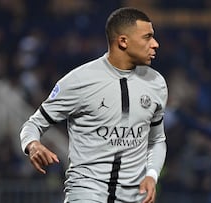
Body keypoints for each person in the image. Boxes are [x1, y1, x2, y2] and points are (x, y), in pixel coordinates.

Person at [19, 7, 167, 203]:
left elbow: (157, 140)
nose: (155, 44)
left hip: (134, 197)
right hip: (87, 193)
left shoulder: (156, 83)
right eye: (147, 37)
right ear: (123, 41)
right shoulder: (79, 80)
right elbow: (34, 124)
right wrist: (33, 144)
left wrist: (152, 175)